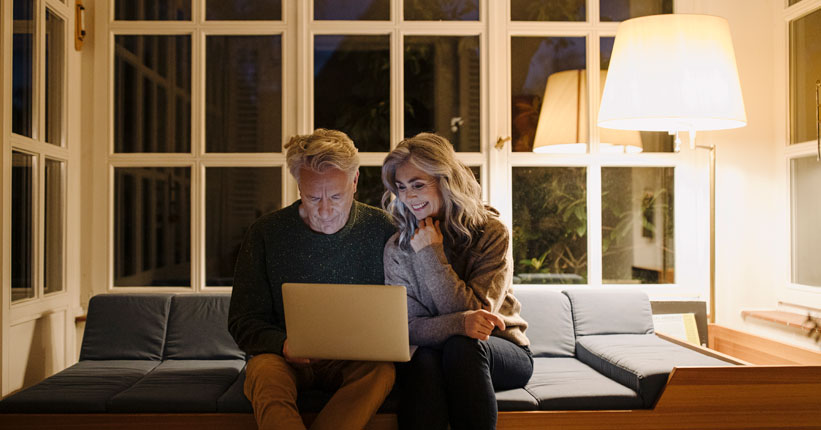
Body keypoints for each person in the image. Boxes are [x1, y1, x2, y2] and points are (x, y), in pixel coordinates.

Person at [228, 129, 397, 430]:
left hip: (356, 359)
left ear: (355, 181)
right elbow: (242, 321)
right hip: (283, 358)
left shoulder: (382, 228)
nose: (325, 210)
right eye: (312, 197)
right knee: (263, 374)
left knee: (381, 371)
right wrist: (284, 345)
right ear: (298, 185)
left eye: (335, 196)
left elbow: (403, 308)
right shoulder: (265, 233)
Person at [381, 133, 533, 430]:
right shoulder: (397, 248)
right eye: (401, 187)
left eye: (418, 184)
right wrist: (460, 323)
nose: (408, 197)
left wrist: (430, 253)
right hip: (432, 353)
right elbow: (408, 328)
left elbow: (480, 319)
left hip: (499, 349)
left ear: (445, 180)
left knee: (462, 346)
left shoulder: (491, 232)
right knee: (422, 361)